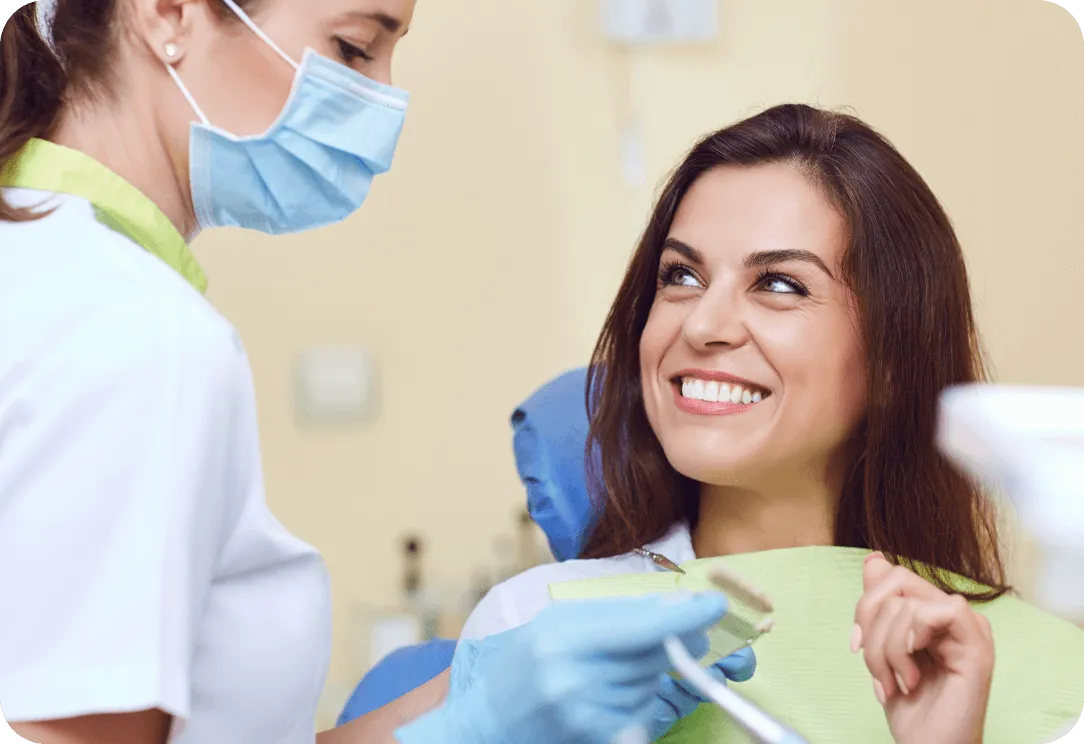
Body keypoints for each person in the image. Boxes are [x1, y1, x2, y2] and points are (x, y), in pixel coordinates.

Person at [0, 1, 756, 744]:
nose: (382, 107)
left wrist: (470, 696)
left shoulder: (62, 277)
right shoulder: (134, 333)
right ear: (168, 14)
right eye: (355, 48)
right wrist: (467, 731)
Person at [459, 104, 1084, 743]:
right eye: (681, 276)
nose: (702, 324)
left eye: (780, 285)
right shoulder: (532, 631)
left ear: (892, 362)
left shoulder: (1052, 675)